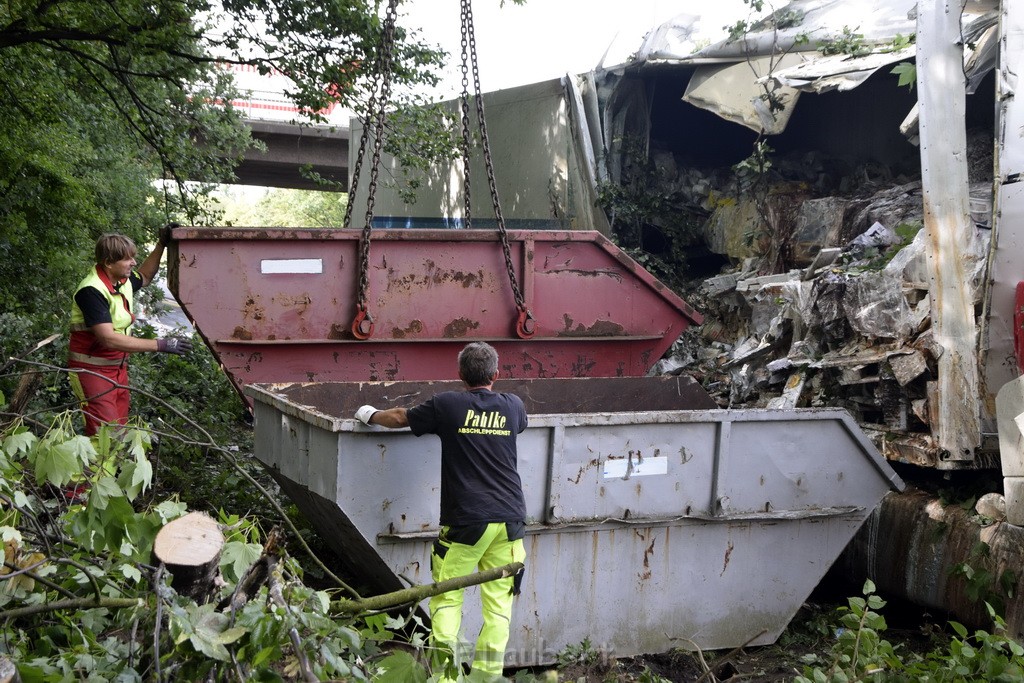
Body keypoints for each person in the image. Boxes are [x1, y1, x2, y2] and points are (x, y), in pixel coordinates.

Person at [355, 341, 527, 678]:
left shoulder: (448, 405)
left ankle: (447, 678)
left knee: (448, 600)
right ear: (496, 374)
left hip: (466, 523)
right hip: (510, 522)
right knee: (499, 609)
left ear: (460, 374)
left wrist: (369, 414)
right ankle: (486, 677)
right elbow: (518, 426)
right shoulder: (513, 406)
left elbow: (401, 418)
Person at [68, 228, 192, 435]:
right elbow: (108, 339)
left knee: (120, 429)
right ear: (108, 262)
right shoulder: (91, 290)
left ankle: (111, 466)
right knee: (105, 433)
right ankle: (97, 468)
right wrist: (161, 344)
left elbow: (144, 276)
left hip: (117, 369)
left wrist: (161, 244)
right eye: (127, 259)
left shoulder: (121, 282)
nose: (133, 263)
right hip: (90, 371)